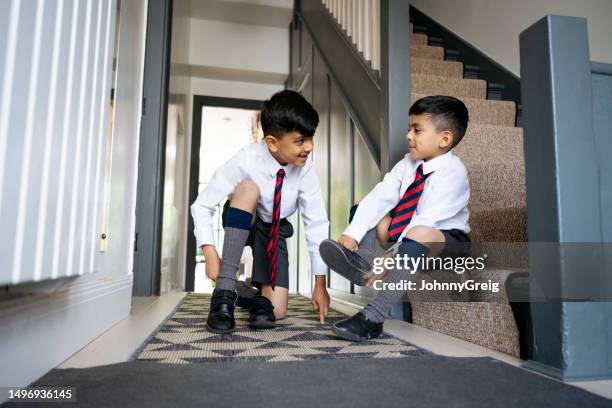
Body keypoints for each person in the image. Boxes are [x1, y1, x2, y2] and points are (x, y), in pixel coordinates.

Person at [319, 95, 471, 341]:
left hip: (445, 244)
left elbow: (426, 221)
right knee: (365, 205)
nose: (409, 136)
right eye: (409, 129)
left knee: (418, 231)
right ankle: (362, 262)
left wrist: (392, 256)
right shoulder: (408, 163)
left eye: (417, 130)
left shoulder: (454, 173)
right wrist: (352, 233)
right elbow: (381, 196)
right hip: (407, 238)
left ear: (444, 139)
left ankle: (374, 318)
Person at [191, 90, 330, 334]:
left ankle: (250, 297)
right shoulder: (247, 158)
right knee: (247, 188)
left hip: (274, 229)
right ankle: (223, 292)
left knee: (276, 311)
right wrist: (210, 254)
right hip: (244, 216)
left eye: (310, 138)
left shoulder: (306, 169)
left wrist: (320, 283)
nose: (309, 147)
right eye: (300, 141)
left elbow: (316, 224)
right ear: (272, 143)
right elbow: (201, 205)